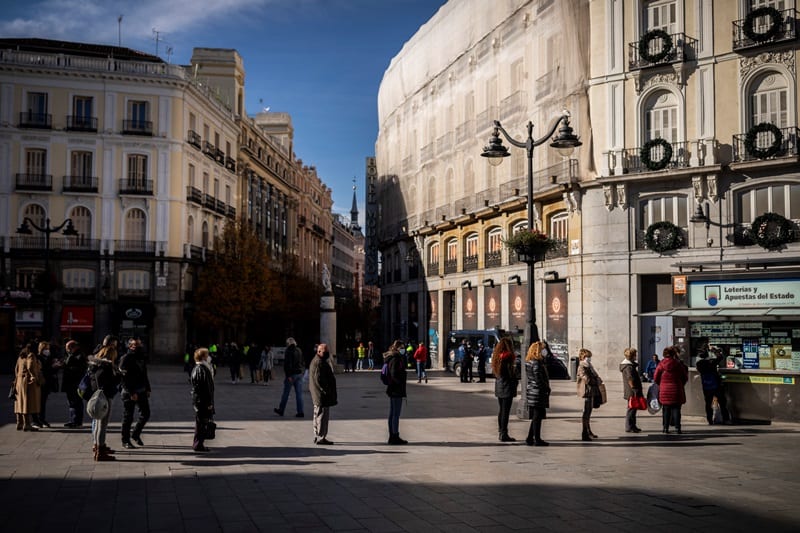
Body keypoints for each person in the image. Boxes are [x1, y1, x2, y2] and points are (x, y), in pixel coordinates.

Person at [87, 342, 120, 461]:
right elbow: (106, 381)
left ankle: (97, 447)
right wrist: (118, 375)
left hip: (97, 396)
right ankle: (100, 451)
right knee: (102, 425)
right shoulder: (105, 366)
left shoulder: (94, 364)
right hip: (104, 397)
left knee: (97, 424)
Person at [118, 337, 151, 448]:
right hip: (129, 392)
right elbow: (123, 379)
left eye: (139, 344)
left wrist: (148, 388)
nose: (138, 347)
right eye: (135, 345)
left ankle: (135, 434)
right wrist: (131, 392)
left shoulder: (141, 357)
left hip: (141, 390)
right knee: (128, 416)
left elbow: (144, 374)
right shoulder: (125, 358)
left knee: (146, 413)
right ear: (130, 346)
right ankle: (125, 440)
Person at [654, 345, 688, 434]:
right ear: (673, 354)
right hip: (676, 389)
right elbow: (685, 377)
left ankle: (665, 428)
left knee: (666, 409)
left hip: (664, 390)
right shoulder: (678, 364)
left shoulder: (661, 364)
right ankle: (677, 428)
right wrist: (681, 384)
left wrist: (661, 385)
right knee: (676, 410)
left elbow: (656, 377)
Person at [492, 337, 520, 442]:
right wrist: (515, 380)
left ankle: (501, 431)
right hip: (507, 387)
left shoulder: (497, 357)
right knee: (505, 412)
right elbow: (510, 374)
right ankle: (504, 433)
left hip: (499, 386)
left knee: (501, 410)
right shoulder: (508, 357)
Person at [309, 342, 337, 445]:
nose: (327, 353)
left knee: (318, 414)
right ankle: (320, 437)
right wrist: (326, 391)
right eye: (325, 352)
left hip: (320, 394)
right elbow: (318, 379)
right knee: (321, 416)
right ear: (319, 351)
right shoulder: (318, 362)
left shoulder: (319, 361)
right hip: (321, 395)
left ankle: (318, 435)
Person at [524, 341, 551, 446]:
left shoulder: (530, 361)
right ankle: (537, 439)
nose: (545, 351)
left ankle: (530, 437)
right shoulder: (536, 363)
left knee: (536, 415)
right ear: (538, 350)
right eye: (543, 349)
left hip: (532, 391)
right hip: (537, 392)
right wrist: (546, 387)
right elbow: (538, 378)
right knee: (537, 416)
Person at [696, 346, 731, 425]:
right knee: (722, 403)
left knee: (708, 404)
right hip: (716, 385)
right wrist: (715, 350)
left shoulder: (699, 364)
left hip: (706, 386)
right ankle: (726, 419)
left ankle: (710, 420)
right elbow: (720, 357)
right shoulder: (711, 362)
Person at [190, 347, 215, 452]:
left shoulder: (203, 367)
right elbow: (205, 389)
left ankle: (198, 443)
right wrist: (209, 403)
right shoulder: (201, 369)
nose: (209, 356)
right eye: (207, 354)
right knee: (201, 423)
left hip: (200, 400)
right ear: (203, 357)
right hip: (202, 401)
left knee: (200, 422)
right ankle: (198, 444)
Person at [13, 342, 42, 431]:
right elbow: (31, 367)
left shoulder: (21, 357)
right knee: (27, 403)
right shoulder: (31, 355)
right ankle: (27, 424)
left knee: (19, 403)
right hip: (27, 382)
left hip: (19, 381)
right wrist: (34, 377)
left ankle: (19, 423)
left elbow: (16, 369)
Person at [384, 340, 408, 444]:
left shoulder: (392, 357)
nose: (404, 349)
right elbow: (394, 374)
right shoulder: (396, 359)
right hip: (396, 390)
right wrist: (400, 383)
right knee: (395, 414)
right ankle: (394, 436)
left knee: (392, 413)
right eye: (402, 347)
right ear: (397, 348)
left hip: (392, 389)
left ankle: (392, 435)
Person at [576, 348, 602, 441]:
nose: (589, 358)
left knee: (589, 412)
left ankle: (588, 431)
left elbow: (595, 376)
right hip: (586, 392)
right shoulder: (582, 366)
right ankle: (584, 433)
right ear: (583, 357)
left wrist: (597, 379)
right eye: (588, 357)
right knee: (586, 413)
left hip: (591, 391)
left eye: (590, 357)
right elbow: (587, 379)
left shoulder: (589, 366)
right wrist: (596, 380)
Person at [274, 337, 305, 417]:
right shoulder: (299, 350)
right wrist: (302, 371)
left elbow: (287, 364)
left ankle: (281, 410)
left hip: (291, 375)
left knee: (286, 393)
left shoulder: (288, 351)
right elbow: (302, 362)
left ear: (288, 343)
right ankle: (300, 412)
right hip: (299, 374)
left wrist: (288, 375)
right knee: (299, 394)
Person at [62, 340, 88, 428]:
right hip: (71, 383)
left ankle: (77, 421)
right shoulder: (73, 355)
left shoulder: (79, 356)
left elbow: (79, 369)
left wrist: (67, 367)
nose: (67, 350)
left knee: (76, 402)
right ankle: (73, 420)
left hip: (75, 383)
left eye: (68, 348)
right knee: (72, 403)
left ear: (73, 347)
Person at [35, 340, 59, 428]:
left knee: (43, 402)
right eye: (46, 348)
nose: (47, 350)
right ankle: (37, 420)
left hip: (47, 383)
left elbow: (51, 371)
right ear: (41, 349)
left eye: (48, 348)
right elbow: (41, 370)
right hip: (40, 383)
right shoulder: (38, 357)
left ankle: (42, 418)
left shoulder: (49, 357)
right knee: (39, 402)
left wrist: (56, 366)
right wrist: (52, 366)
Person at [620, 347, 643, 433]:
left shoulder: (630, 365)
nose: (636, 356)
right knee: (631, 408)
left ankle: (632, 425)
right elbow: (630, 378)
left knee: (633, 408)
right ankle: (629, 426)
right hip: (632, 391)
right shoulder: (628, 367)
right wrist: (634, 388)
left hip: (631, 390)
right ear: (632, 356)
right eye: (635, 355)